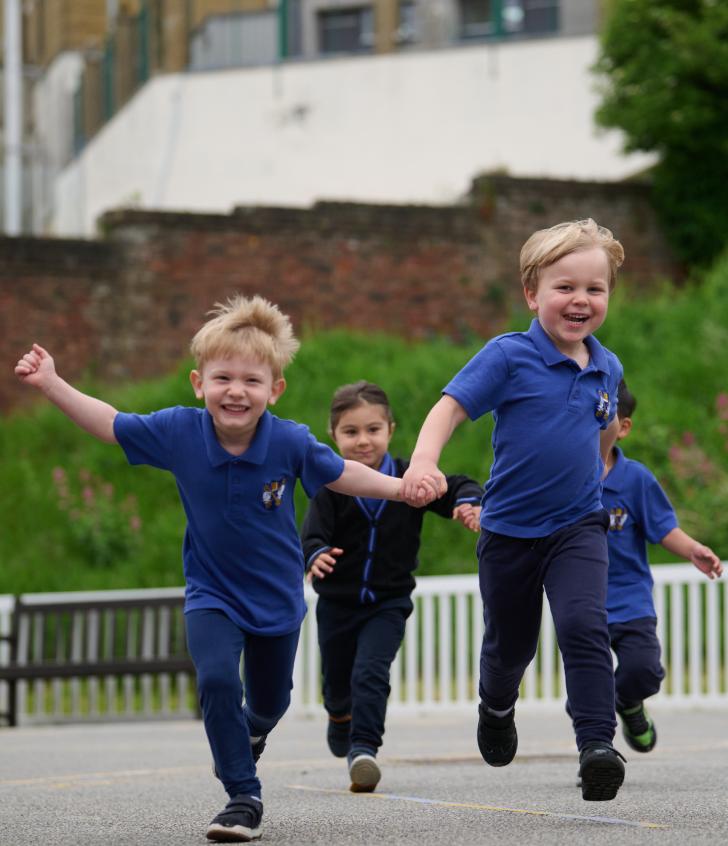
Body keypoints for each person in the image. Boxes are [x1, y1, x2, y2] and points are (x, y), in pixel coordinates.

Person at [14, 295, 442, 844]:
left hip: (277, 601)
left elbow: (343, 476)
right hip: (211, 593)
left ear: (274, 390)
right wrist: (52, 382)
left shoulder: (287, 441)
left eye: (251, 381)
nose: (236, 391)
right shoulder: (178, 432)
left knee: (270, 703)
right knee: (216, 680)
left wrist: (402, 488)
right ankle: (243, 797)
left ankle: (249, 736)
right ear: (199, 383)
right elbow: (111, 423)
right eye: (222, 378)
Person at [402, 218, 628, 802]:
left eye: (594, 289)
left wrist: (600, 478)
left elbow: (601, 432)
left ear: (607, 297)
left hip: (579, 525)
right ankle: (496, 706)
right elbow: (449, 408)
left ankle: (597, 746)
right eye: (564, 287)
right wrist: (425, 462)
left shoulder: (608, 366)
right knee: (511, 646)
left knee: (584, 626)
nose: (580, 300)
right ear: (533, 294)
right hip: (508, 534)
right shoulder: (509, 355)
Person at [301, 380, 482, 793]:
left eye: (372, 430)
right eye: (350, 432)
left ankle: (363, 751)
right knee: (337, 681)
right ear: (333, 436)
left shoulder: (409, 479)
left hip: (388, 603)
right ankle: (339, 716)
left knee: (371, 672)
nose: (363, 441)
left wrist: (468, 500)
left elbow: (451, 484)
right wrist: (315, 554)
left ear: (390, 429)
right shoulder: (332, 486)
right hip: (337, 605)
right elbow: (311, 535)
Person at [588, 379, 722, 753]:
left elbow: (663, 528)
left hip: (630, 600)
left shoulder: (636, 480)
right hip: (584, 600)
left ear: (624, 427)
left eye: (605, 418)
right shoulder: (569, 476)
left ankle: (628, 703)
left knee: (644, 671)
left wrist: (693, 548)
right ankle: (595, 751)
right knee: (589, 679)